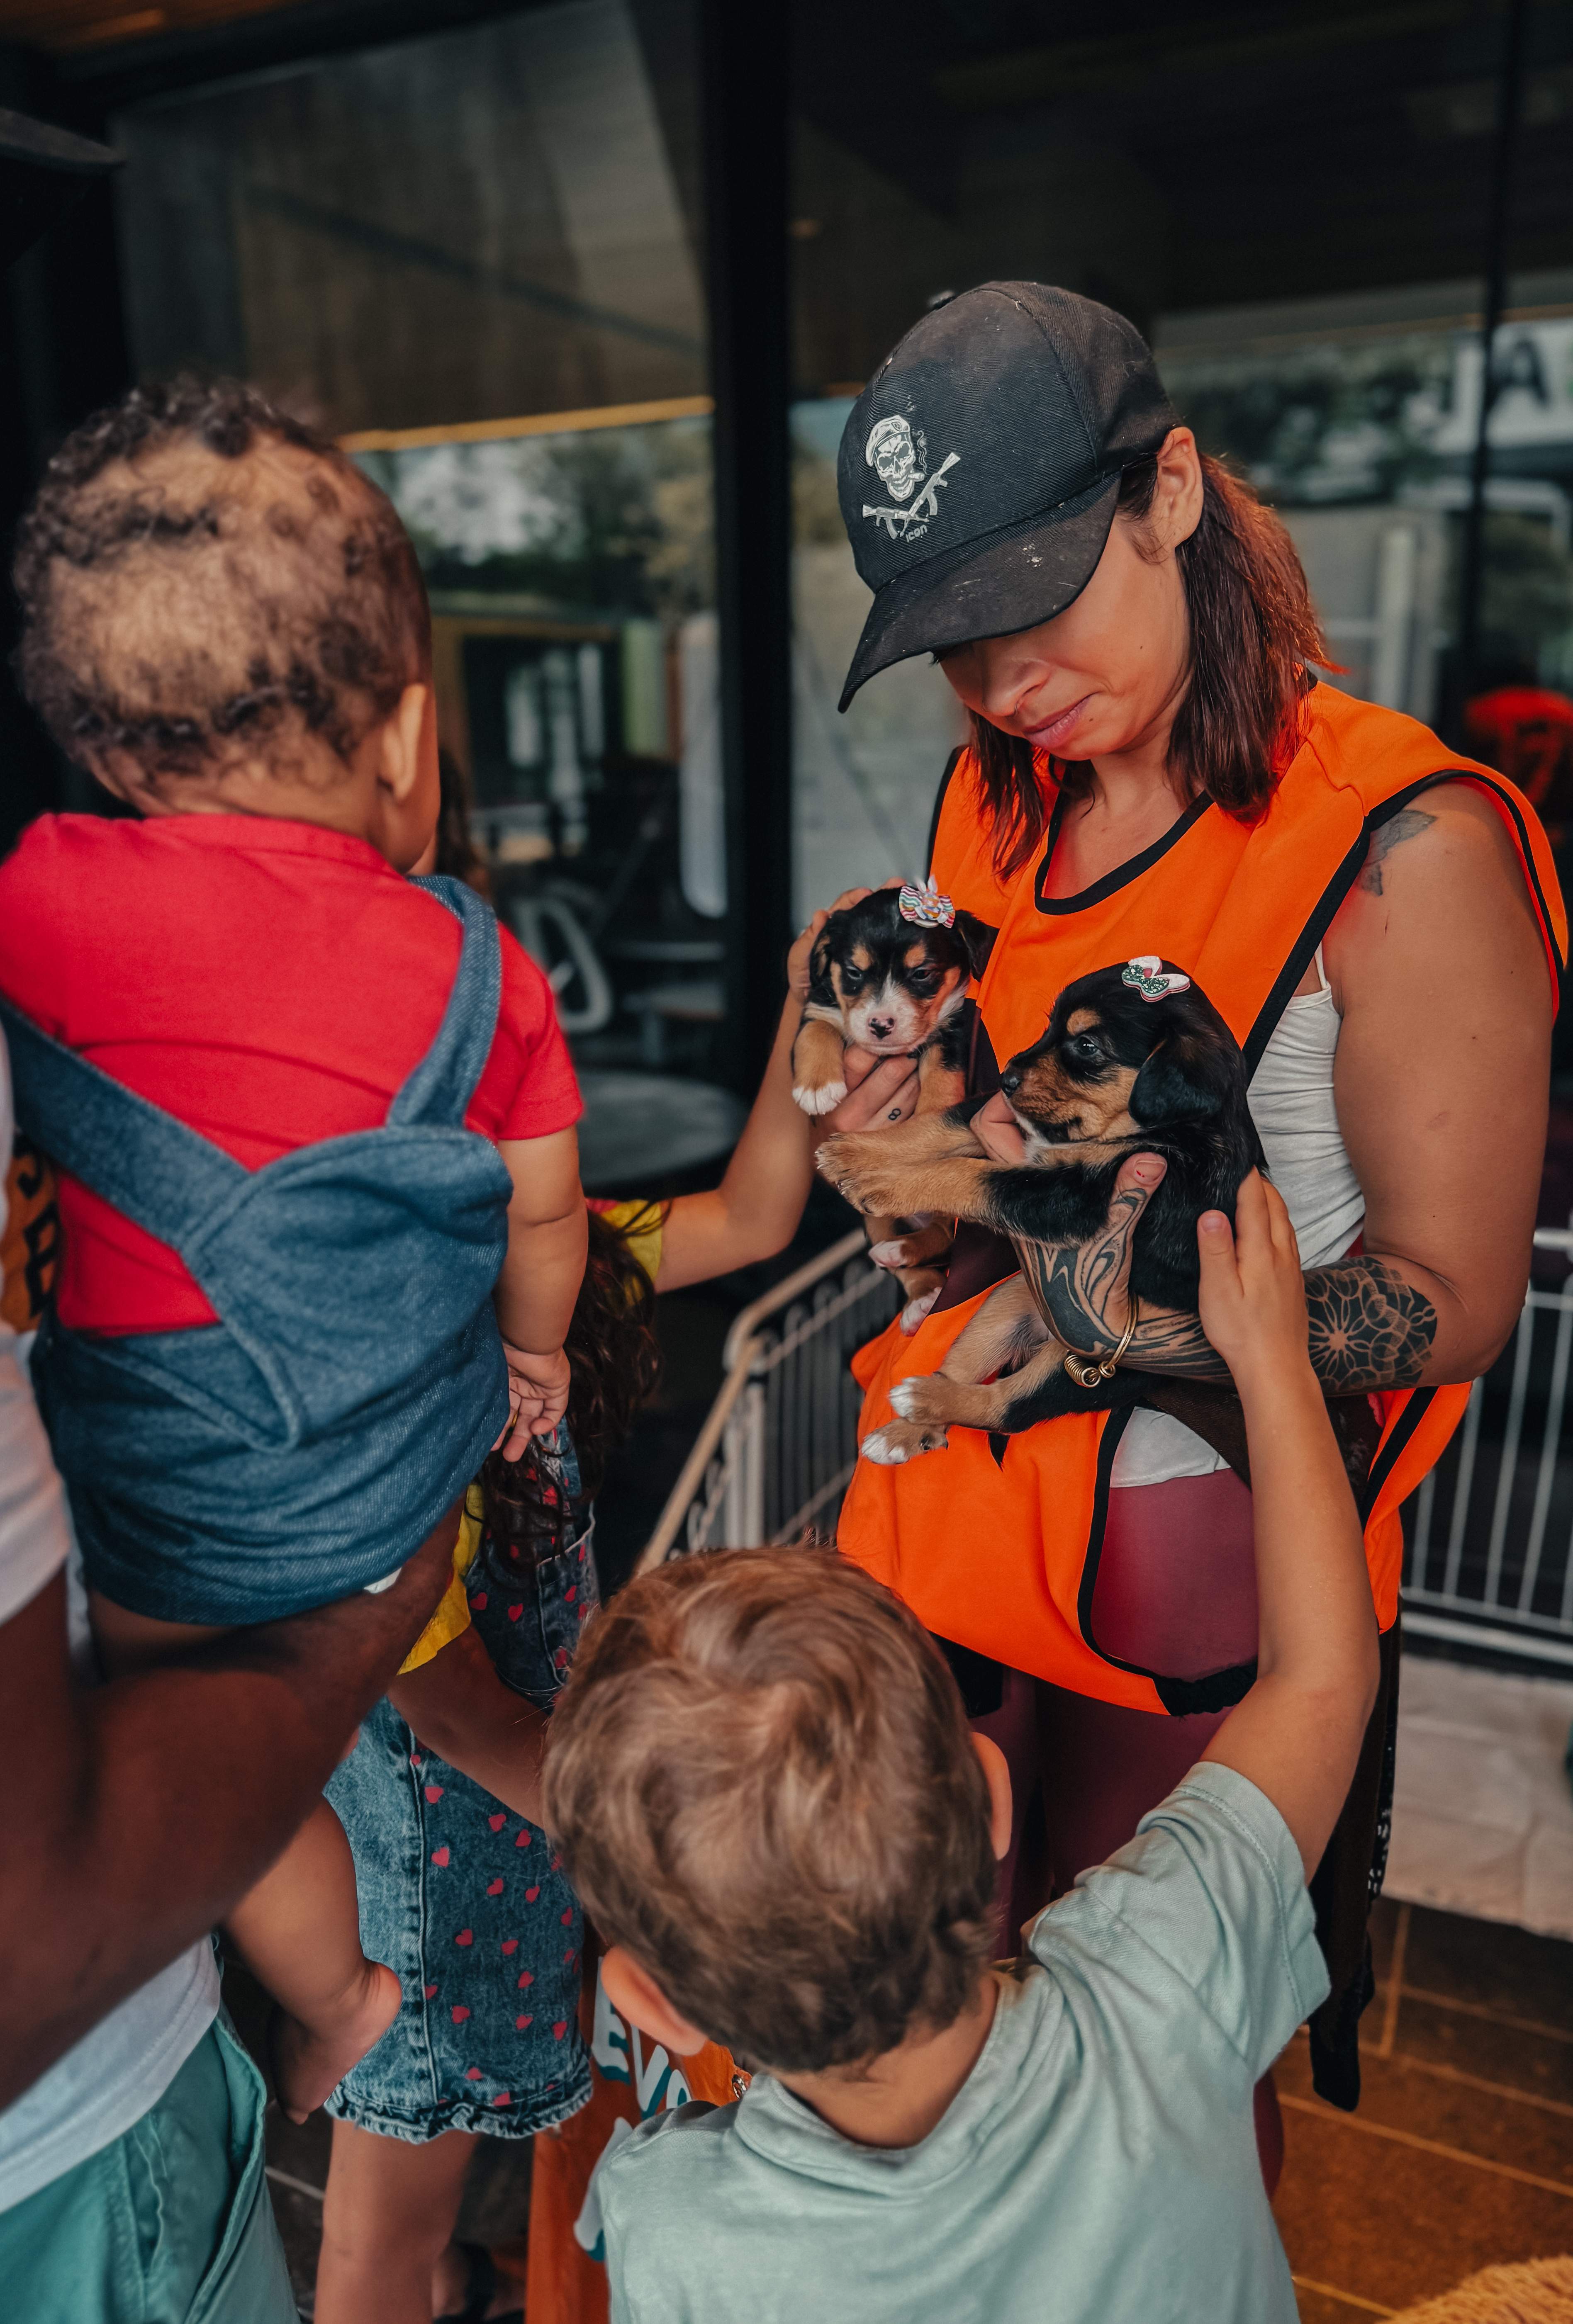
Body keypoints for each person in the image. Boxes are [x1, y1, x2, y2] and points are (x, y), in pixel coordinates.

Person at [823, 282, 1566, 2126]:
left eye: (1030, 607)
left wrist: (1137, 1328)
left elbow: (1457, 1294)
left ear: (1168, 490)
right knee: (939, 2009)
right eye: (951, 644)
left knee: (1148, 2054)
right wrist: (938, 1210)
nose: (1001, 687)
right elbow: (1009, 1141)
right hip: (947, 1523)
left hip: (1195, 1572)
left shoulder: (1407, 843)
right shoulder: (991, 807)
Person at [0, 376, 587, 2125]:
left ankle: (334, 2000)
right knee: (322, 1726)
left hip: (149, 1480)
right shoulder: (475, 964)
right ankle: (366, 1999)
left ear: (100, 738)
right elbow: (542, 1216)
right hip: (388, 1484)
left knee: (187, 1762)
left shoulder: (29, 893)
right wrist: (533, 1355)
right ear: (409, 741)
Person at [541, 1169, 1375, 2324]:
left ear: (653, 2002)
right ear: (990, 1798)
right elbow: (1324, 1674)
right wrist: (1273, 1362)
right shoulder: (1162, 1970)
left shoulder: (672, 2220)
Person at [310, 897, 920, 2324]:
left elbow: (763, 1209)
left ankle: (454, 2283)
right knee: (381, 2218)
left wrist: (808, 1004)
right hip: (435, 1847)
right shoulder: (383, 1413)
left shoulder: (562, 1258)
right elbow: (462, 1718)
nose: (553, 1165)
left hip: (523, 1814)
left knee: (429, 2181)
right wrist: (682, 1867)